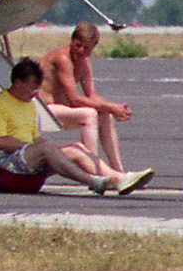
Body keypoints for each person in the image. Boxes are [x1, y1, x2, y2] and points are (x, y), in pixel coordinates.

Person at [0, 57, 152, 195]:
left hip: (28, 157)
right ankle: (92, 181)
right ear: (18, 83)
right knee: (47, 147)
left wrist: (45, 149)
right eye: (32, 89)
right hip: (5, 161)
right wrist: (34, 148)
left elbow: (35, 137)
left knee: (75, 148)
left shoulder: (30, 104)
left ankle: (119, 179)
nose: (35, 94)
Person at [39, 22, 143, 176]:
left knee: (104, 115)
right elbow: (74, 99)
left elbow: (92, 95)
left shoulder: (84, 62)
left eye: (86, 48)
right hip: (41, 109)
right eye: (78, 45)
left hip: (58, 110)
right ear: (72, 41)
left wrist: (112, 108)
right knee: (89, 114)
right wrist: (111, 107)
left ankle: (118, 170)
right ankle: (95, 170)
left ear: (94, 46)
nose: (81, 51)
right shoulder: (62, 58)